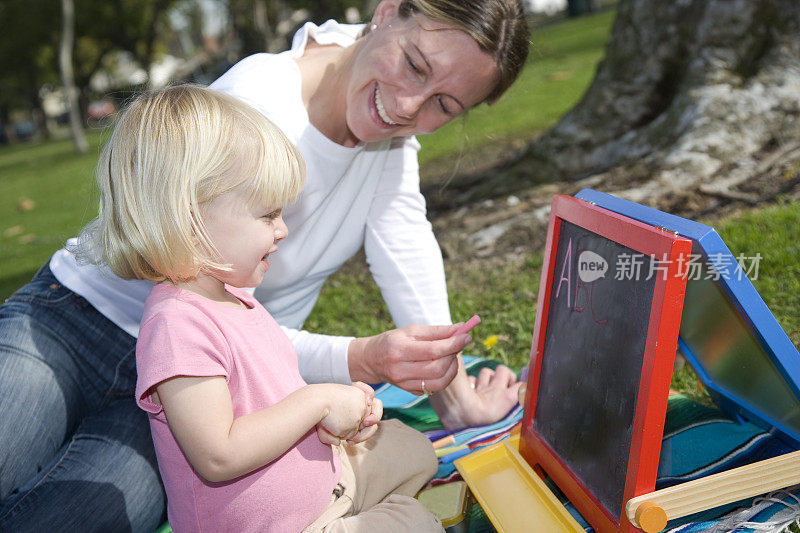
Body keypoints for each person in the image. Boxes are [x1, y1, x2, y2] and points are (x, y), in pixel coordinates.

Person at [0, 0, 530, 530]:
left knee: (81, 515)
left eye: (444, 103)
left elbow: (406, 247)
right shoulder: (257, 104)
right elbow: (209, 316)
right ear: (387, 12)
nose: (411, 106)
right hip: (74, 323)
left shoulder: (389, 148)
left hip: (205, 397)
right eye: (415, 64)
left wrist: (453, 394)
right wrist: (360, 358)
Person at [74, 84, 443, 532]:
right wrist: (318, 400)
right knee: (413, 523)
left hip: (325, 483)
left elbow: (271, 397)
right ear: (190, 222)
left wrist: (341, 413)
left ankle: (355, 505)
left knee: (415, 450)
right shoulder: (176, 324)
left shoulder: (236, 297)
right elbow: (218, 455)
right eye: (268, 215)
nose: (283, 229)